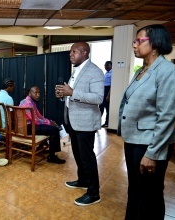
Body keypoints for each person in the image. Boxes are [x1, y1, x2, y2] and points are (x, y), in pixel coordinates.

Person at [118, 24, 175, 220]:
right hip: (135, 140)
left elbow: (167, 116)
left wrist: (152, 154)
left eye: (139, 41)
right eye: (134, 41)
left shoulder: (167, 71)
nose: (134, 45)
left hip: (150, 143)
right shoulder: (142, 70)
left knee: (150, 194)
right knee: (136, 190)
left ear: (155, 44)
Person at [55, 42, 104, 206]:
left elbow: (98, 98)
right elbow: (72, 94)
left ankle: (93, 192)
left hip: (86, 122)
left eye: (74, 52)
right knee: (78, 155)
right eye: (70, 52)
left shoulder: (95, 71)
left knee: (87, 158)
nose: (70, 54)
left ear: (84, 53)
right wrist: (63, 95)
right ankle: (83, 180)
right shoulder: (76, 70)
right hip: (73, 121)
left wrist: (72, 92)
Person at [19, 85, 66, 164]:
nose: (38, 95)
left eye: (39, 93)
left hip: (29, 126)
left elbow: (39, 116)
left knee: (50, 126)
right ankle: (52, 156)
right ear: (30, 93)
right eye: (35, 93)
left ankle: (41, 148)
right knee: (54, 130)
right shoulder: (28, 103)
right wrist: (49, 123)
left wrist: (49, 121)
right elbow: (36, 120)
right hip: (26, 128)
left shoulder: (31, 101)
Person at [99, 61, 112, 127]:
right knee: (100, 107)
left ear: (111, 66)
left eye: (107, 65)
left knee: (107, 108)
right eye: (105, 65)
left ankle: (107, 122)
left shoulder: (112, 73)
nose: (105, 67)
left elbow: (112, 85)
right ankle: (97, 122)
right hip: (103, 90)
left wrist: (108, 95)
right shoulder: (106, 73)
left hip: (107, 90)